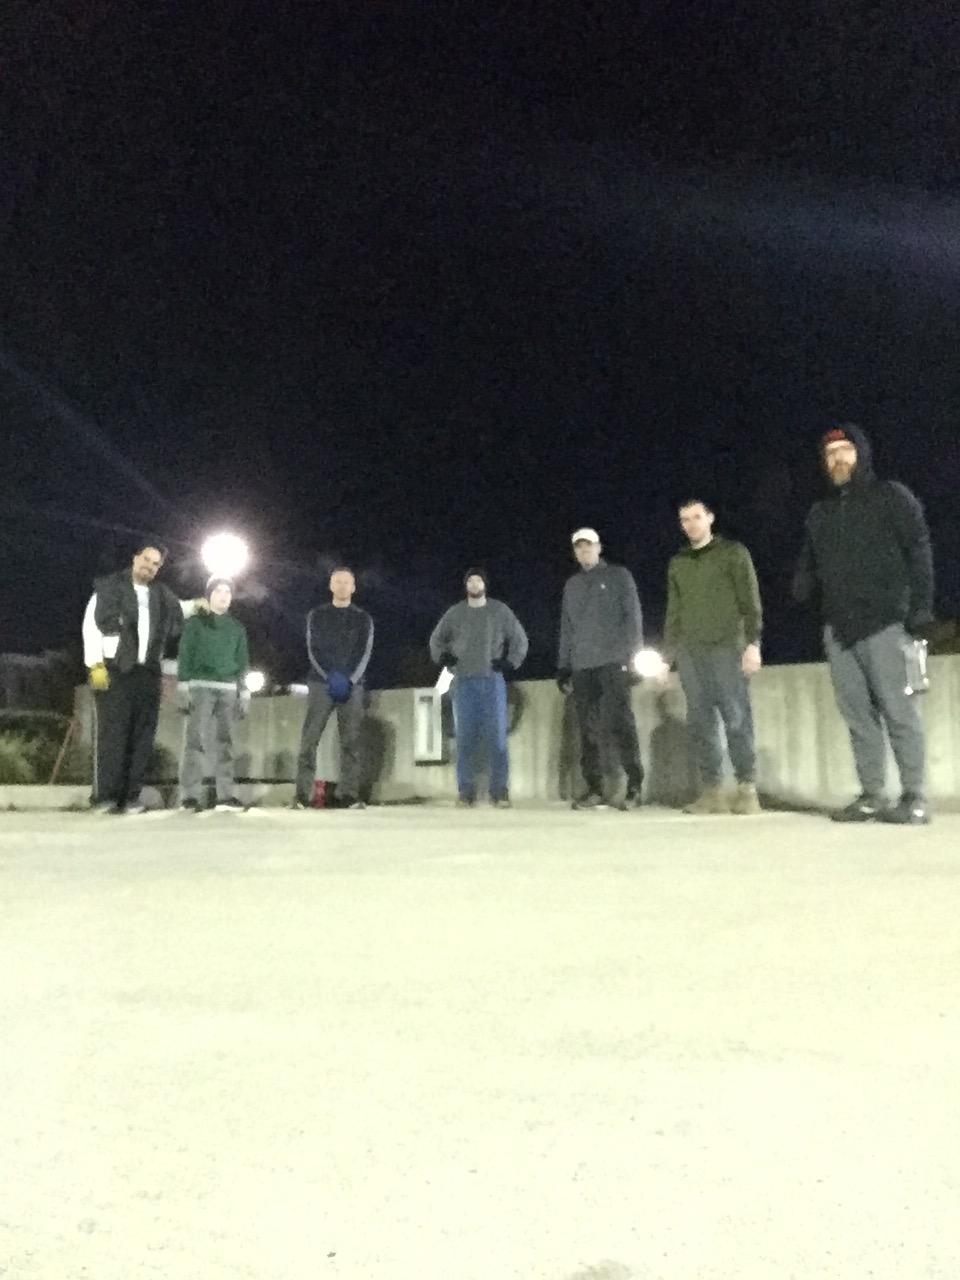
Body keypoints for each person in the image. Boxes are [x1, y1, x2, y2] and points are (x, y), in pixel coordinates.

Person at [792, 423, 935, 824]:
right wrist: (801, 584)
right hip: (839, 630)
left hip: (886, 623)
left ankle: (914, 796)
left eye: (845, 450)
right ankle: (872, 794)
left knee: (899, 711)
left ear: (861, 454)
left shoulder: (891, 496)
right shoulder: (820, 512)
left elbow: (919, 549)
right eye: (830, 454)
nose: (838, 459)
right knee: (857, 716)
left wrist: (921, 609)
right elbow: (809, 560)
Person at [82, 540, 206, 814]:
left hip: (148, 672)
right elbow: (91, 627)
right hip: (115, 669)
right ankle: (105, 797)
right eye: (146, 560)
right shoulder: (109, 589)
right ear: (135, 558)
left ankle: (131, 797)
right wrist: (95, 665)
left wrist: (198, 605)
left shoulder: (161, 595)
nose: (149, 566)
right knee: (112, 735)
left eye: (156, 564)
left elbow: (178, 609)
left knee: (142, 737)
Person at [662, 499, 763, 815]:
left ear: (710, 519)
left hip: (727, 647)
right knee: (701, 721)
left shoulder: (733, 553)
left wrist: (753, 643)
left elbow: (750, 600)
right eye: (684, 520)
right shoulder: (678, 563)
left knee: (736, 718)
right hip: (691, 652)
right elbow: (674, 611)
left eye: (696, 517)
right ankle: (712, 791)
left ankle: (747, 788)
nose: (691, 524)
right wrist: (667, 657)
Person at [557, 528, 645, 809]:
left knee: (621, 723)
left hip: (614, 661)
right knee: (588, 729)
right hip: (583, 666)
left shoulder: (619, 576)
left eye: (589, 545)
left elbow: (633, 618)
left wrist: (634, 657)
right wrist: (564, 665)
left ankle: (634, 786)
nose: (584, 551)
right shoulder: (571, 585)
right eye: (579, 547)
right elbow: (567, 628)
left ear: (599, 548)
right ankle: (594, 788)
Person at [429, 568, 529, 807]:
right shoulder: (455, 613)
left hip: (491, 681)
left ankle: (500, 791)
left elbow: (520, 639)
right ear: (466, 586)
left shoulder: (499, 610)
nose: (475, 584)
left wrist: (510, 662)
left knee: (497, 739)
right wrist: (443, 657)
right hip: (462, 682)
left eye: (478, 580)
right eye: (471, 581)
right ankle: (466, 792)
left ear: (485, 584)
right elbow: (436, 640)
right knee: (464, 739)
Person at [294, 566, 374, 810]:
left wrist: (350, 679)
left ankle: (349, 795)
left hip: (353, 686)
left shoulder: (363, 618)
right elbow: (313, 649)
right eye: (337, 581)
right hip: (321, 683)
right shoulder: (316, 615)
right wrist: (329, 676)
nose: (342, 586)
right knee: (310, 739)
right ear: (330, 586)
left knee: (351, 741)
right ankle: (302, 795)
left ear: (353, 587)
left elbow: (364, 652)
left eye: (346, 582)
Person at [176, 577, 251, 813]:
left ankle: (225, 796)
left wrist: (244, 691)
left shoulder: (237, 628)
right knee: (195, 741)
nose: (223, 596)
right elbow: (185, 653)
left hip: (228, 689)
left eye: (227, 592)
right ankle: (190, 797)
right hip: (200, 687)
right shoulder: (195, 624)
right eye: (218, 591)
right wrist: (183, 685)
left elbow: (243, 661)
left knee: (226, 743)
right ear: (209, 595)